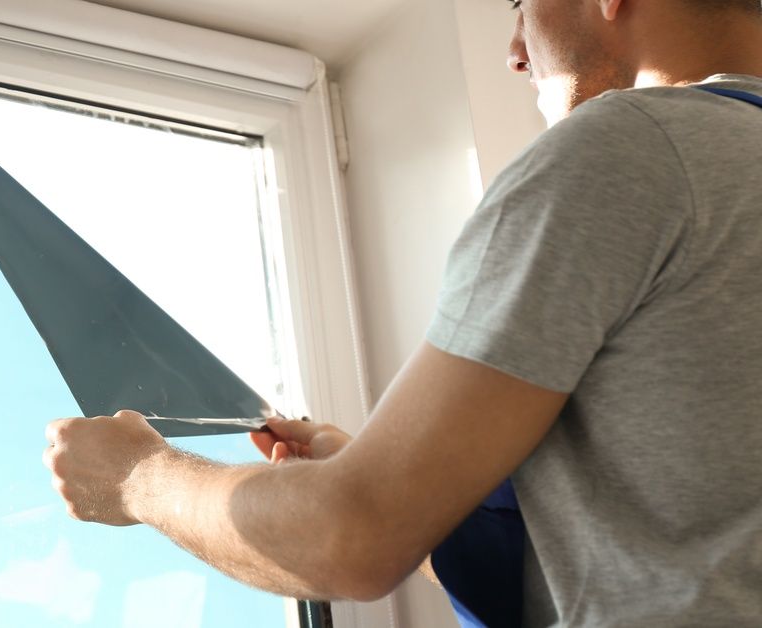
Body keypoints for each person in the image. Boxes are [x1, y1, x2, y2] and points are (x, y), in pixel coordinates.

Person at [43, 0, 762, 624]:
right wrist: (385, 473)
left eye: (519, 4)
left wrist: (137, 478)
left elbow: (352, 538)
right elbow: (680, 534)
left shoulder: (624, 148)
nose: (515, 51)